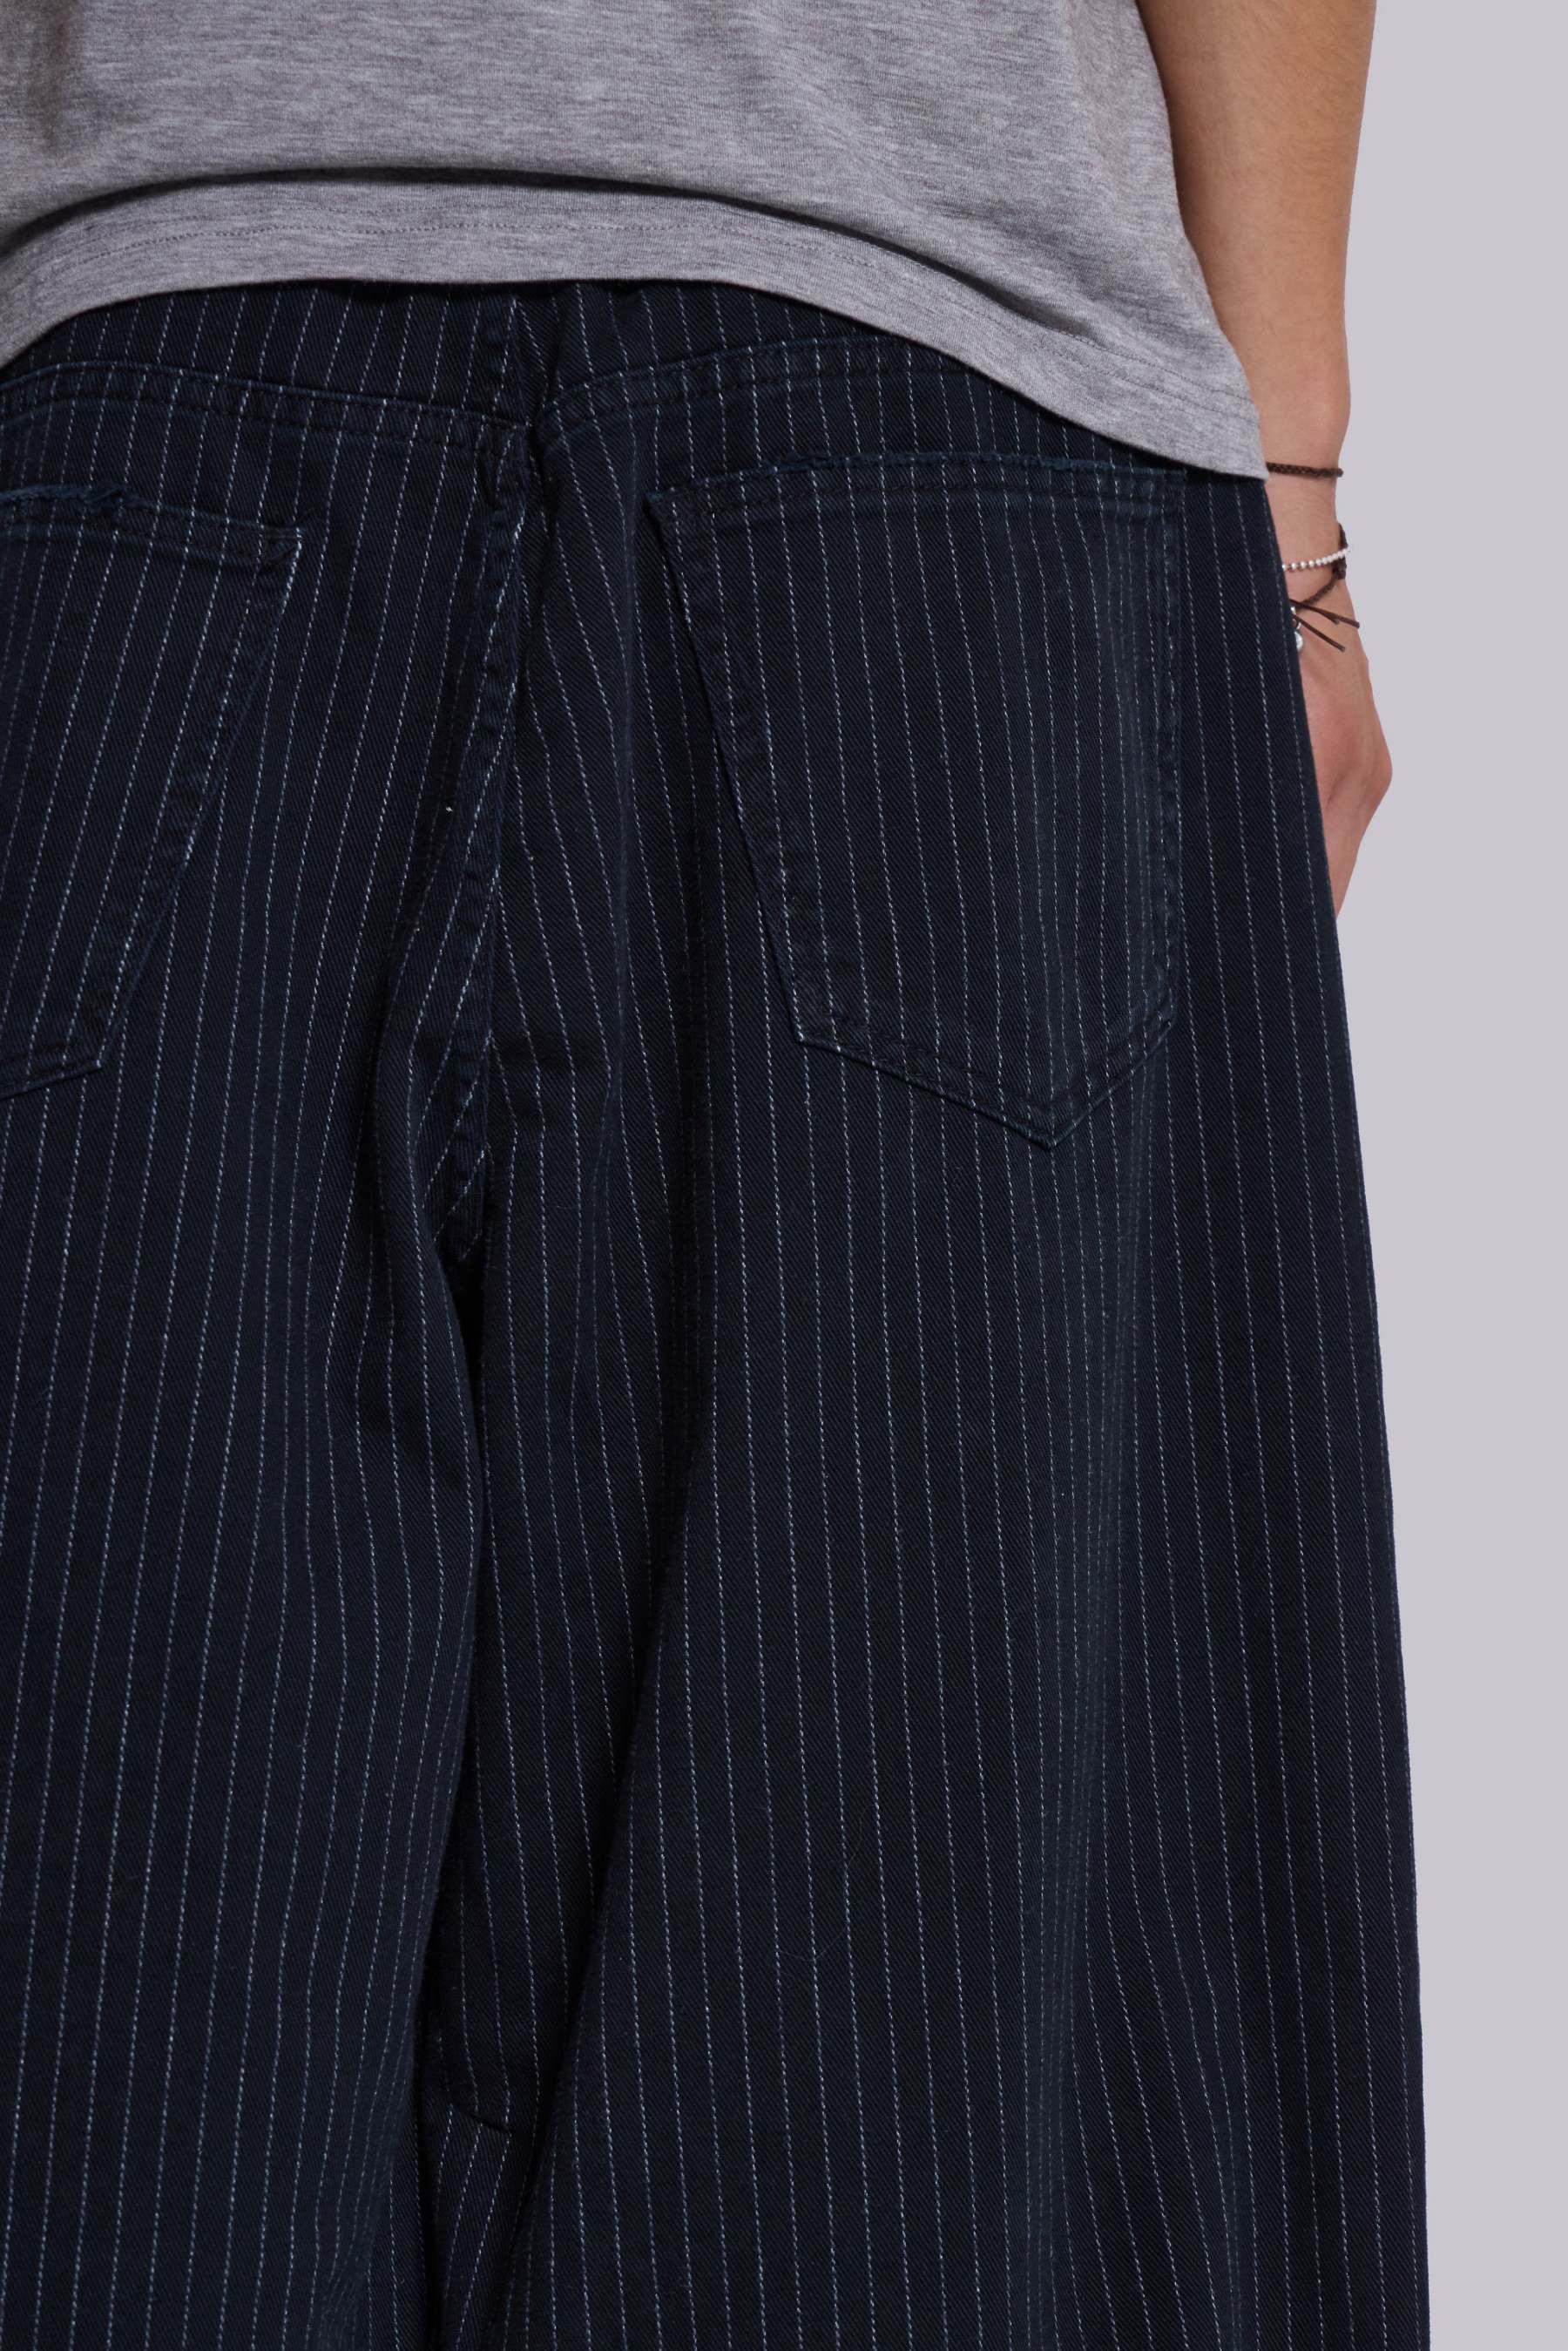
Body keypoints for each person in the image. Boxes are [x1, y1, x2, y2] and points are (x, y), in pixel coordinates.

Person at [0, 3, 1426, 2345]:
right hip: (931, 447)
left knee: (106, 2078)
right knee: (892, 2130)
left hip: (130, 448)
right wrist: (1288, 503)